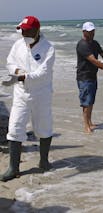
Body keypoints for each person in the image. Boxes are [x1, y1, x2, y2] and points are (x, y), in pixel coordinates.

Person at [0, 16, 55, 181]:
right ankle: (13, 168)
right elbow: (10, 62)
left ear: (37, 30)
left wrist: (21, 77)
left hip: (41, 94)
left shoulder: (48, 48)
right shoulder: (19, 45)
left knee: (43, 127)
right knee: (15, 128)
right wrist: (17, 72)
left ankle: (44, 161)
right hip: (21, 94)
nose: (24, 33)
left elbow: (42, 73)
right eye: (22, 30)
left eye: (28, 30)